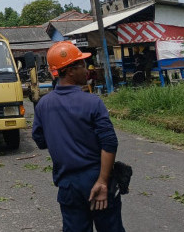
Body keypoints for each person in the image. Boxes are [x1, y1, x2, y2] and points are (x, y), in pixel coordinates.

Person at [32, 41, 125, 232]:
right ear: (70, 71)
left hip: (68, 186)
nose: (86, 69)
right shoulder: (92, 102)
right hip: (97, 179)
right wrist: (102, 181)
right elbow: (109, 143)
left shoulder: (43, 105)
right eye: (82, 65)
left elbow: (40, 141)